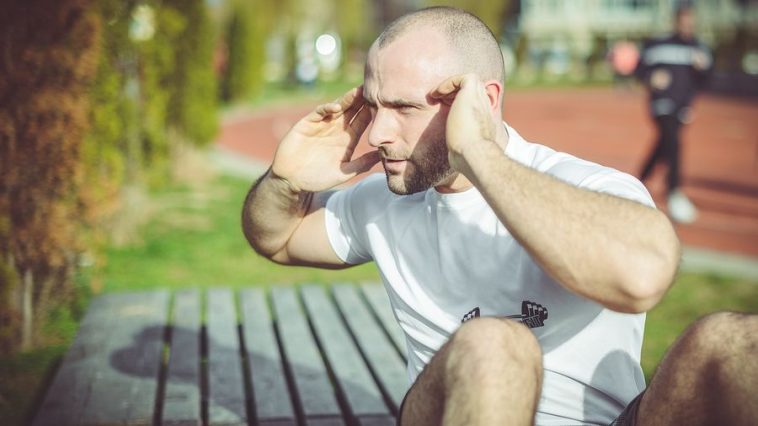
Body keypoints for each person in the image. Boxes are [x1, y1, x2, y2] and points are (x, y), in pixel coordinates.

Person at [242, 7, 757, 426]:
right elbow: (278, 239)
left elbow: (643, 278)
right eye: (374, 106)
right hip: (453, 412)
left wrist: (478, 153)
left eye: (403, 107)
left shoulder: (589, 187)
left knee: (731, 342)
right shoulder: (382, 201)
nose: (376, 133)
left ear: (482, 103)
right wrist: (285, 180)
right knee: (497, 343)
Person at [635, 4, 713, 224]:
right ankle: (674, 193)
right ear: (676, 21)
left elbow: (707, 80)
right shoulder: (658, 44)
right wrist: (651, 77)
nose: (686, 25)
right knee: (674, 143)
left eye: (690, 21)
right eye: (683, 20)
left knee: (663, 146)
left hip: (683, 108)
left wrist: (703, 68)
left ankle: (638, 183)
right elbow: (640, 70)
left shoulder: (699, 48)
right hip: (660, 104)